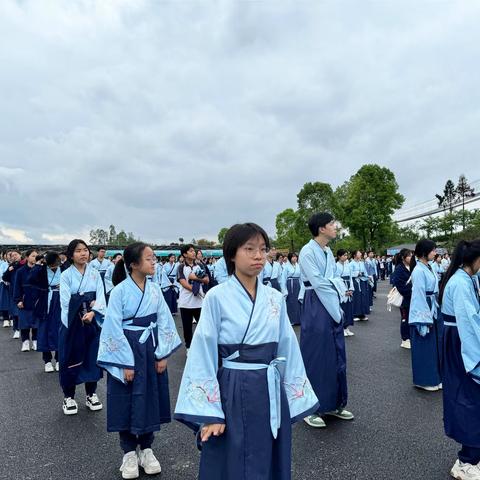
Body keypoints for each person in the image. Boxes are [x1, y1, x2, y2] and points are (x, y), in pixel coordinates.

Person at [174, 223, 319, 480]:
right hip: (233, 386)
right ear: (232, 254)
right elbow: (203, 352)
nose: (258, 256)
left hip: (268, 385)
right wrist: (210, 412)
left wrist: (293, 395)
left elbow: (288, 347)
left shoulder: (274, 297)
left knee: (267, 453)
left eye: (263, 249)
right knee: (234, 455)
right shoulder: (216, 297)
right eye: (249, 249)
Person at [98, 242, 181, 479]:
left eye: (154, 258)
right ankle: (128, 452)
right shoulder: (119, 292)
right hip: (127, 348)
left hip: (151, 348)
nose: (153, 262)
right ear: (133, 264)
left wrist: (162, 353)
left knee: (150, 396)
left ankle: (146, 447)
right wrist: (124, 362)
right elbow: (112, 328)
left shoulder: (155, 291)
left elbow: (165, 320)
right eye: (148, 259)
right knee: (125, 398)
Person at [299, 213, 354, 429]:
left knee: (335, 353)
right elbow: (319, 283)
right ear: (321, 228)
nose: (335, 227)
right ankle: (311, 407)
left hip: (329, 300)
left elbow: (333, 278)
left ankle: (333, 403)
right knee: (317, 354)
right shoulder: (307, 251)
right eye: (331, 224)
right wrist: (336, 307)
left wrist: (336, 299)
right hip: (316, 302)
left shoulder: (327, 251)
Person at [439, 239, 480, 480]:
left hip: (459, 339)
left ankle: (472, 456)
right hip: (462, 344)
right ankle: (466, 461)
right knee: (469, 399)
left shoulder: (464, 278)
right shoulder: (461, 283)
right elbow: (470, 325)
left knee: (469, 399)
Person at [59, 239, 106, 415]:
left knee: (92, 357)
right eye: (78, 251)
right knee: (70, 357)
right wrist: (84, 301)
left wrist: (93, 311)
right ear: (71, 255)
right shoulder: (66, 276)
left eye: (85, 250)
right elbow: (65, 302)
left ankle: (91, 394)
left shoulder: (94, 274)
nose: (83, 253)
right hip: (72, 323)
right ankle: (68, 396)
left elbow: (101, 298)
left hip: (91, 321)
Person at [409, 239, 442, 391]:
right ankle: (424, 380)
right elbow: (418, 295)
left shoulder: (428, 267)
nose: (435, 253)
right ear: (424, 252)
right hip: (424, 308)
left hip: (433, 305)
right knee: (425, 344)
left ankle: (434, 377)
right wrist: (423, 319)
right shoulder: (419, 270)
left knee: (434, 345)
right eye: (433, 250)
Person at [28, 251, 62, 372]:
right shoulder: (41, 269)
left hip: (60, 301)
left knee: (60, 330)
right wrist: (37, 264)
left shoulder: (64, 268)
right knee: (44, 331)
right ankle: (47, 360)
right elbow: (31, 279)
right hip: (45, 301)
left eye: (56, 265)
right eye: (51, 265)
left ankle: (59, 359)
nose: (54, 267)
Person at [177, 244, 209, 353]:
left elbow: (207, 280)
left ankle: (202, 346)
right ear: (185, 254)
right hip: (185, 302)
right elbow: (183, 282)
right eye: (191, 251)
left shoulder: (199, 265)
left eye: (194, 251)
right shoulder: (181, 267)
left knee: (203, 326)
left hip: (199, 302)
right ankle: (189, 348)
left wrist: (195, 278)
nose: (194, 253)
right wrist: (194, 289)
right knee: (187, 328)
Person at [14, 249, 39, 352]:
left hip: (37, 300)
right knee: (24, 322)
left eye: (36, 256)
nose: (35, 258)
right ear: (27, 257)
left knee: (36, 323)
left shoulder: (40, 270)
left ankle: (35, 341)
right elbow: (17, 287)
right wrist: (18, 300)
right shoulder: (20, 271)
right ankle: (25, 342)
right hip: (24, 300)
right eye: (33, 256)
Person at [2, 250, 22, 338]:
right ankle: (16, 329)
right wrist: (9, 271)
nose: (14, 256)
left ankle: (30, 335)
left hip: (25, 291)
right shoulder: (11, 266)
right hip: (14, 291)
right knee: (15, 311)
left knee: (25, 312)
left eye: (15, 255)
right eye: (12, 255)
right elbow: (5, 277)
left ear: (20, 255)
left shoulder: (24, 265)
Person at [336, 249, 355, 337]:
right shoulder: (336, 266)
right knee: (342, 308)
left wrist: (351, 289)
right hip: (341, 287)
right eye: (343, 255)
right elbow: (337, 280)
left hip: (348, 285)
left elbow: (350, 278)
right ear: (339, 256)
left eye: (346, 255)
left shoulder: (348, 266)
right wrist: (344, 291)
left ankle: (347, 327)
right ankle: (341, 328)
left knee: (348, 309)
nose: (345, 257)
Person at [280, 252, 302, 326]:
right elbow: (283, 279)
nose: (295, 258)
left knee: (297, 302)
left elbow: (301, 278)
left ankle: (298, 319)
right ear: (290, 258)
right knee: (291, 302)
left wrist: (302, 287)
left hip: (297, 284)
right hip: (290, 285)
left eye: (295, 257)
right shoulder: (286, 267)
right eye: (293, 257)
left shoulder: (298, 266)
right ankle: (291, 320)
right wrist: (284, 289)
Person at [350, 250, 370, 321]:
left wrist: (368, 277)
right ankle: (355, 314)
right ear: (354, 255)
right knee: (357, 297)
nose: (360, 254)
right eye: (359, 253)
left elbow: (365, 271)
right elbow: (350, 273)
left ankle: (362, 314)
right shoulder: (351, 263)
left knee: (363, 297)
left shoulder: (361, 263)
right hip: (356, 282)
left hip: (362, 281)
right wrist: (357, 273)